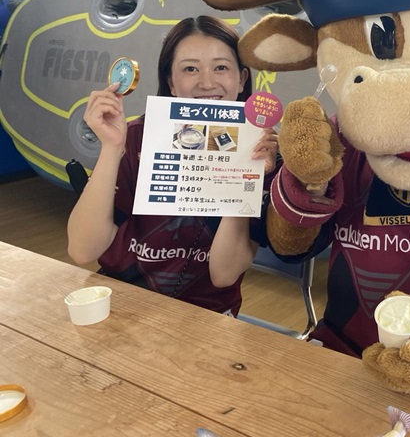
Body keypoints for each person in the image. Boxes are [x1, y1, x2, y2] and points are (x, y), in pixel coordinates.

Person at [67, 16, 278, 316]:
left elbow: (224, 274)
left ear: (242, 79)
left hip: (207, 316)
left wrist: (243, 176)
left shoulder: (261, 152)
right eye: (190, 69)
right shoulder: (135, 137)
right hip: (122, 302)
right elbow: (82, 250)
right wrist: (112, 148)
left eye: (221, 67)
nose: (207, 83)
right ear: (171, 82)